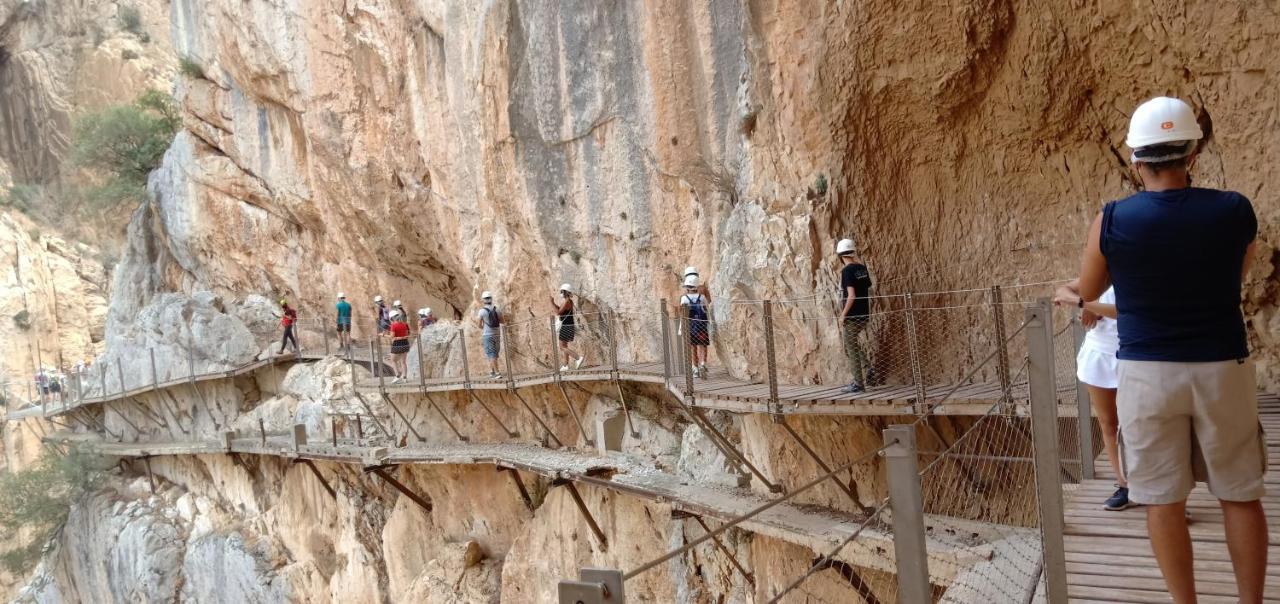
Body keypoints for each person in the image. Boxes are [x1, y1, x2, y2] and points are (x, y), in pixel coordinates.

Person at [1075, 96, 1264, 602]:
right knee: (1241, 496)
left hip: (1146, 372)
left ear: (1136, 160)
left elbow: (1087, 292)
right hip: (1223, 365)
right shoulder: (1233, 209)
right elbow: (1238, 272)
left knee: (1161, 500)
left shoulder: (1112, 220)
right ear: (1192, 155)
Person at [1054, 281, 1130, 510]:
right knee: (1109, 423)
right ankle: (1125, 485)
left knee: (1146, 423)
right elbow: (1061, 290)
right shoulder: (1102, 273)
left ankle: (1162, 493)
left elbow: (1130, 311)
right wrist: (1084, 304)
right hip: (1100, 354)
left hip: (1136, 354)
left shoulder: (1144, 267)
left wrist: (1086, 304)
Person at [835, 238, 872, 393]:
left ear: (840, 255)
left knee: (849, 346)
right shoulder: (862, 268)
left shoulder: (847, 271)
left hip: (853, 315)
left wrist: (843, 315)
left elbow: (851, 295)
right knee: (852, 344)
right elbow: (868, 287)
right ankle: (868, 368)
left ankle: (858, 383)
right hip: (864, 312)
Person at [680, 275, 710, 378]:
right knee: (702, 345)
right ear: (697, 286)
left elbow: (682, 314)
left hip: (690, 326)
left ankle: (695, 369)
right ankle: (702, 364)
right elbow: (707, 308)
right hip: (701, 325)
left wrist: (681, 328)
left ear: (688, 287)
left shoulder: (684, 299)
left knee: (693, 347)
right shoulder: (702, 297)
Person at [551, 284, 584, 371]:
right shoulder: (568, 301)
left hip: (566, 326)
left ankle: (578, 358)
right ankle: (565, 365)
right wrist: (554, 303)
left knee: (562, 347)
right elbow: (561, 310)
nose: (560, 293)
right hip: (568, 325)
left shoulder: (567, 302)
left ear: (565, 292)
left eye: (562, 291)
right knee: (565, 345)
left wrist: (551, 303)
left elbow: (558, 312)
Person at [476, 291, 503, 378]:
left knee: (491, 354)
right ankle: (492, 371)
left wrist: (484, 327)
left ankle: (497, 373)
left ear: (483, 300)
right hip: (497, 334)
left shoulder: (482, 311)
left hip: (487, 335)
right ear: (491, 299)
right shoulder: (497, 309)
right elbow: (502, 321)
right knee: (494, 353)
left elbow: (479, 325)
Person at [384, 310, 411, 382]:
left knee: (393, 360)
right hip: (405, 343)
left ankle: (397, 376)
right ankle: (405, 378)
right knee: (403, 362)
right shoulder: (404, 324)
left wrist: (383, 335)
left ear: (391, 318)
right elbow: (406, 334)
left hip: (397, 344)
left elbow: (392, 337)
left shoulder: (393, 325)